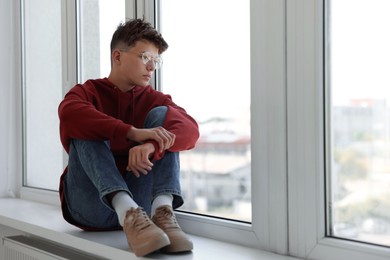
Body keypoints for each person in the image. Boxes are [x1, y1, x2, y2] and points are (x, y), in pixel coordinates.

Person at [58, 18, 199, 257]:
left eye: (156, 60)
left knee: (166, 118)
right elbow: (69, 114)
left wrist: (152, 145)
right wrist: (131, 132)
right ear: (117, 56)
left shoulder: (155, 98)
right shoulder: (88, 92)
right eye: (145, 57)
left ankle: (163, 213)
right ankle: (127, 212)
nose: (151, 67)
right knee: (84, 122)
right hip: (89, 206)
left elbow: (191, 130)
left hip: (144, 209)